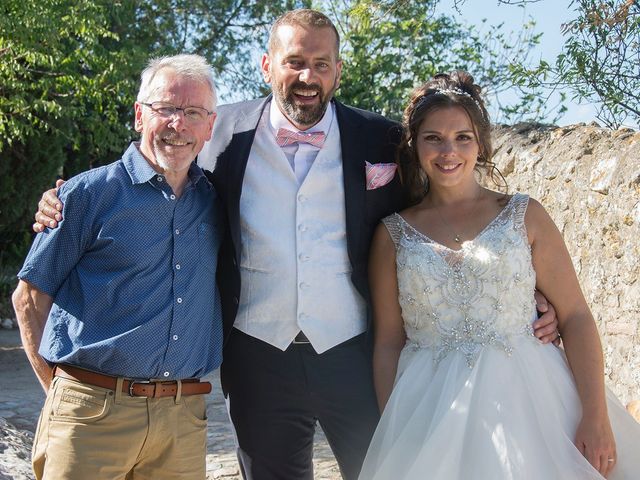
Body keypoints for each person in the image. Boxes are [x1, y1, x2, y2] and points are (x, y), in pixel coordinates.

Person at [31, 10, 559, 480]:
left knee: (387, 470)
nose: (308, 76)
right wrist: (62, 200)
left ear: (338, 70)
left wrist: (517, 289)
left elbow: (440, 211)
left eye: (322, 64)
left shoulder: (382, 141)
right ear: (267, 66)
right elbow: (149, 165)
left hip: (356, 352)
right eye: (295, 62)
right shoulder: (219, 132)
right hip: (258, 357)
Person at [359, 71, 640, 479]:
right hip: (431, 405)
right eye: (433, 137)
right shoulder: (392, 234)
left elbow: (576, 315)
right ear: (414, 144)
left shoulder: (524, 215)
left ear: (482, 144)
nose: (448, 150)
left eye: (463, 137)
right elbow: (388, 343)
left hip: (533, 400)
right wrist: (397, 430)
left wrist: (596, 417)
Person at [12, 54, 223, 480]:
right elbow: (29, 298)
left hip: (182, 421)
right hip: (90, 417)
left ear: (209, 126)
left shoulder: (217, 201)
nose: (178, 124)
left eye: (193, 113)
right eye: (166, 109)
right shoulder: (86, 195)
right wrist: (59, 393)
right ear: (140, 115)